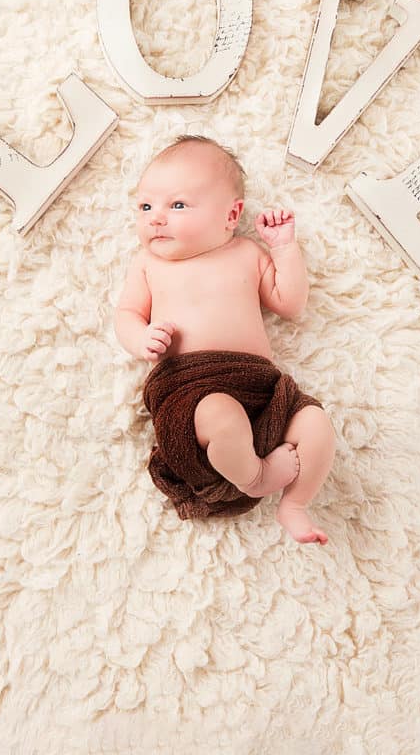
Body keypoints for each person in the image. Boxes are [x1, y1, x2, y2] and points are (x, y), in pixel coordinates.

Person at [114, 135, 336, 544]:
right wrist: (140, 338)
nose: (156, 218)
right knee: (220, 413)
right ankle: (256, 477)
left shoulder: (247, 253)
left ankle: (295, 505)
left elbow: (289, 303)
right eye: (146, 206)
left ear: (231, 215)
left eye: (176, 205)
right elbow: (126, 314)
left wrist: (284, 250)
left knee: (316, 423)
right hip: (192, 393)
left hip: (260, 389)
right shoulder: (148, 264)